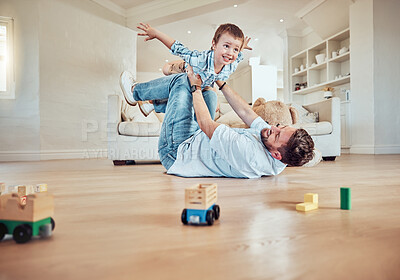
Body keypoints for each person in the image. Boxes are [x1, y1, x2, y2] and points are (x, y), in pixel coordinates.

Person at [119, 65, 315, 178]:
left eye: (278, 133)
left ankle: (135, 92)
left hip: (177, 152)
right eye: (279, 126)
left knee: (182, 81)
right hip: (195, 138)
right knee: (210, 94)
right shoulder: (274, 144)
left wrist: (194, 86)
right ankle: (153, 104)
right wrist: (221, 82)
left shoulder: (250, 153)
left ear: (276, 155)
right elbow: (246, 112)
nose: (272, 127)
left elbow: (206, 124)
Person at [123, 22, 251, 116]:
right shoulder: (201, 60)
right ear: (214, 44)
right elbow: (179, 49)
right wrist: (157, 34)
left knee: (206, 102)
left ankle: (151, 105)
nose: (230, 53)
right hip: (187, 70)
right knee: (172, 74)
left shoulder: (232, 65)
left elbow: (238, 56)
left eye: (235, 49)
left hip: (201, 84)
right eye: (226, 46)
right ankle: (135, 91)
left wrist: (242, 47)